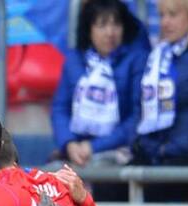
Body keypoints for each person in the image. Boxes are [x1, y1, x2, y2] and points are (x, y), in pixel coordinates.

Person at [51, 0, 149, 175]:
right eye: (102, 25)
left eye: (116, 24)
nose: (110, 32)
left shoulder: (137, 60)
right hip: (76, 148)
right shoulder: (74, 60)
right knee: (51, 174)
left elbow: (137, 117)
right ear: (89, 29)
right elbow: (60, 108)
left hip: (119, 149)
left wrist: (93, 147)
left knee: (100, 171)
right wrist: (69, 144)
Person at [132, 0, 188, 201]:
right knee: (108, 189)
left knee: (153, 191)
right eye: (161, 15)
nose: (165, 22)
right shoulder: (157, 56)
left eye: (172, 15)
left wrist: (175, 146)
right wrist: (144, 145)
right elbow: (140, 110)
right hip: (158, 154)